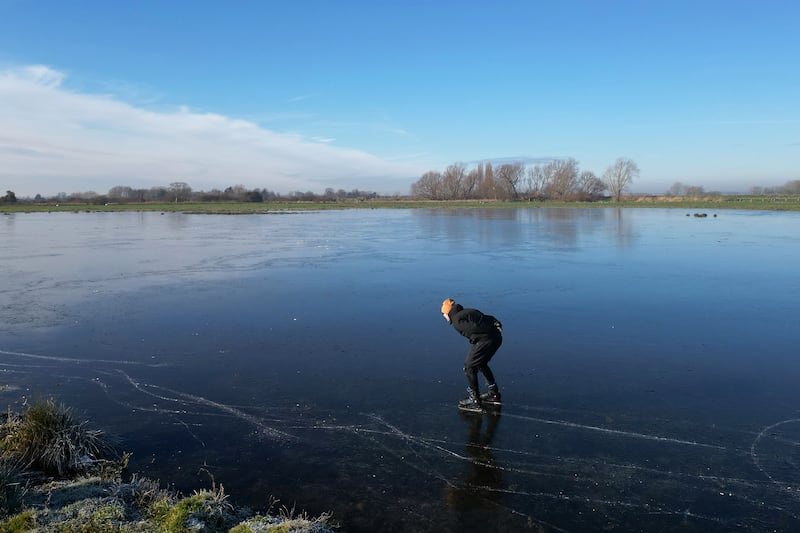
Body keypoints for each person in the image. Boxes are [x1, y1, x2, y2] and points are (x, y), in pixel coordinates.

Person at [441, 298, 503, 412]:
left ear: (448, 312)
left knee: (469, 367)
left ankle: (475, 400)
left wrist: (484, 333)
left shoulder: (457, 321)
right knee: (481, 363)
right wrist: (495, 323)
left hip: (486, 340)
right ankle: (493, 393)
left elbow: (475, 328)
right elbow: (484, 318)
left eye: (444, 314)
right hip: (496, 337)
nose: (444, 317)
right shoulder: (467, 312)